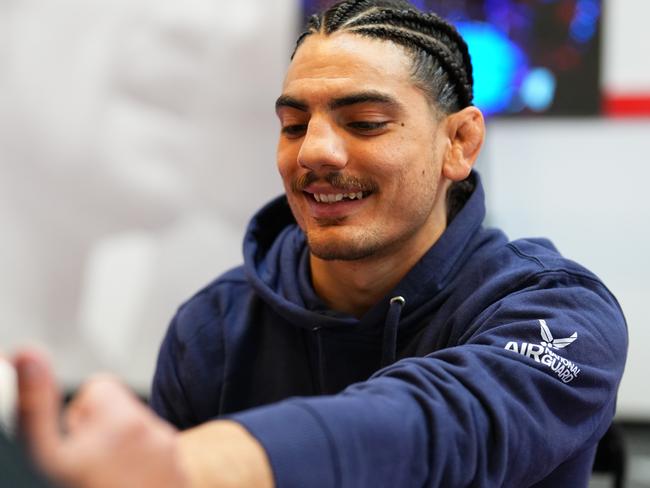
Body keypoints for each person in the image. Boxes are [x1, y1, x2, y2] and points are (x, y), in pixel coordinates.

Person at [15, 0, 627, 487]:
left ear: (459, 143)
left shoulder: (559, 315)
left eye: (364, 123)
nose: (314, 153)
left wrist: (207, 464)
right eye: (294, 125)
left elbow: (439, 429)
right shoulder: (213, 329)